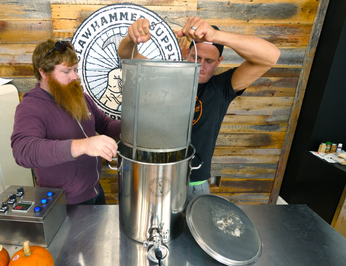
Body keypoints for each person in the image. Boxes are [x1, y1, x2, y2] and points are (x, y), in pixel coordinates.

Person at [118, 17, 280, 202]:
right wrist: (133, 37)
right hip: (157, 174)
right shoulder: (167, 75)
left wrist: (217, 35)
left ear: (219, 61)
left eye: (209, 61)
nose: (200, 66)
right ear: (187, 52)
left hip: (194, 182)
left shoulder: (222, 87)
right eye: (196, 57)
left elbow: (271, 56)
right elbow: (126, 54)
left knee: (195, 229)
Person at [11, 39, 121, 206]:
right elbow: (23, 151)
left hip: (95, 192)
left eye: (75, 70)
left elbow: (106, 126)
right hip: (65, 204)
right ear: (43, 72)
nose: (74, 76)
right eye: (66, 71)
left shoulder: (80, 97)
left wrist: (135, 123)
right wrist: (83, 146)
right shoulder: (31, 106)